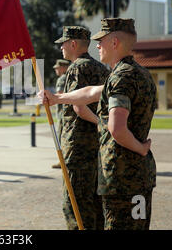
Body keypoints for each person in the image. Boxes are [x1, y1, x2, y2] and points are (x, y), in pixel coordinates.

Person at [40, 18, 156, 230]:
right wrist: (57, 98)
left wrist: (140, 148)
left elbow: (117, 128)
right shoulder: (138, 73)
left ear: (114, 43)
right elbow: (91, 92)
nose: (97, 45)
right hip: (138, 174)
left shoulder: (121, 76)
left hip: (122, 175)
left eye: (101, 41)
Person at [53, 26, 110, 230]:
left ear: (73, 44)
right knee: (96, 204)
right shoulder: (102, 68)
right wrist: (103, 125)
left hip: (78, 148)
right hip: (97, 147)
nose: (61, 48)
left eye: (63, 44)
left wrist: (100, 122)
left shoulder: (77, 68)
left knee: (75, 205)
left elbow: (78, 106)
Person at [51, 59, 71, 169]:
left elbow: (59, 94)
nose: (56, 70)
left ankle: (62, 161)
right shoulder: (69, 76)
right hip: (66, 112)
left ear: (63, 67)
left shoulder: (62, 78)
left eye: (57, 68)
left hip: (62, 113)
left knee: (61, 137)